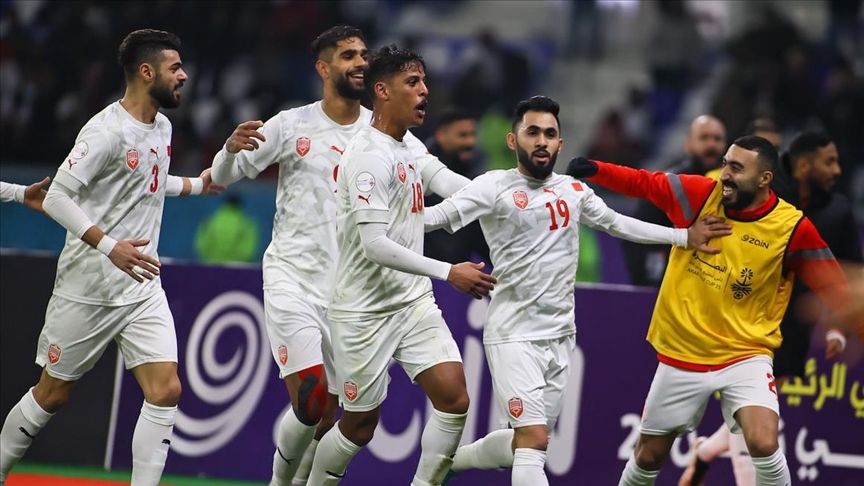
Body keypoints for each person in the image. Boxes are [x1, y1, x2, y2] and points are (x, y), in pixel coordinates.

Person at [209, 28, 475, 486]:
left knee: (332, 416)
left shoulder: (394, 135)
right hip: (295, 279)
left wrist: (498, 199)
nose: (359, 62)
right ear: (323, 67)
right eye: (348, 55)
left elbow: (442, 180)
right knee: (313, 401)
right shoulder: (291, 125)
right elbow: (221, 176)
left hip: (348, 287)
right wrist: (229, 152)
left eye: (363, 54)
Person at [423, 95, 733, 486]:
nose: (541, 141)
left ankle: (452, 463)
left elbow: (619, 223)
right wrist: (381, 215)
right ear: (512, 140)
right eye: (532, 132)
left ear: (560, 143)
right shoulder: (492, 186)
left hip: (561, 335)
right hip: (513, 334)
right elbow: (433, 218)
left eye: (549, 134)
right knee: (533, 440)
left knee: (527, 444)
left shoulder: (572, 190)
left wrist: (684, 237)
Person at [566, 136, 863, 486]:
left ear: (765, 178)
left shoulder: (791, 228)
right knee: (648, 455)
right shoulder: (700, 195)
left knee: (764, 442)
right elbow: (645, 183)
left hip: (745, 355)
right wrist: (596, 170)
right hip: (683, 353)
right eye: (725, 164)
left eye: (736, 168)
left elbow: (836, 287)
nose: (725, 175)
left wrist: (844, 326)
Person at [0, 29, 221, 486]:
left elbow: (151, 180)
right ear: (147, 72)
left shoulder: (163, 127)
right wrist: (109, 245)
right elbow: (57, 197)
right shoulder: (105, 131)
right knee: (51, 395)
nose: (184, 75)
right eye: (175, 68)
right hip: (89, 285)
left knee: (166, 390)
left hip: (142, 284)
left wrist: (198, 185)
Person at [306, 45, 497, 486]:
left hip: (412, 302)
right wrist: (449, 271)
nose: (424, 90)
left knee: (454, 399)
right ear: (382, 91)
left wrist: (498, 198)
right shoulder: (368, 157)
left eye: (424, 81)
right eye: (412, 82)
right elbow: (375, 245)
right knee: (359, 427)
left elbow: (444, 182)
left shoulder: (407, 144)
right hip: (363, 311)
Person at [678, 131, 863, 486]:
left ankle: (704, 451)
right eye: (829, 161)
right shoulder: (766, 192)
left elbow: (849, 276)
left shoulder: (839, 212)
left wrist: (838, 328)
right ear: (804, 165)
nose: (837, 170)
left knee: (756, 408)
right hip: (747, 316)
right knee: (750, 409)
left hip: (795, 323)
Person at [623, 115, 726, 286]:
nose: (711, 144)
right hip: (669, 283)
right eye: (704, 137)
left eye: (717, 139)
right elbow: (635, 234)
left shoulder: (732, 189)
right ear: (688, 144)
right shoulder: (667, 185)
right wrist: (646, 283)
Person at [423, 108, 490, 264]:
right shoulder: (419, 173)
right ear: (441, 135)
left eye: (473, 135)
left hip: (461, 273)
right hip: (422, 270)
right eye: (462, 135)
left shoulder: (475, 174)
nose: (470, 142)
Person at [194, 194, 259, 264]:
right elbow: (248, 251)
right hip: (237, 267)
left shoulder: (210, 221)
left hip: (212, 265)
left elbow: (201, 246)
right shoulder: (247, 224)